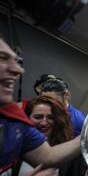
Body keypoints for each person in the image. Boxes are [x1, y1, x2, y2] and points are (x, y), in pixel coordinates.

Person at [0, 37, 80, 175]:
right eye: (2, 58)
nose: (18, 70)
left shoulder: (13, 120)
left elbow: (47, 156)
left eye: (51, 117)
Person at [17, 95, 73, 175]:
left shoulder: (70, 153)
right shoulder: (16, 148)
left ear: (59, 120)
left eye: (51, 117)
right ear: (27, 118)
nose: (43, 123)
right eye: (37, 117)